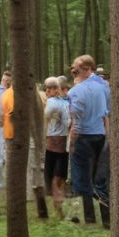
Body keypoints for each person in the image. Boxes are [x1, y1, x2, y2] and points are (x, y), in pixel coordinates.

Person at [67, 54, 110, 227]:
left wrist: (71, 142)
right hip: (100, 136)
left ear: (86, 68)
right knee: (99, 178)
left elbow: (76, 121)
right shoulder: (105, 87)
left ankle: (88, 218)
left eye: (76, 67)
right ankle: (106, 218)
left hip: (83, 137)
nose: (73, 69)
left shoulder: (75, 91)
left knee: (80, 178)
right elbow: (108, 113)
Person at [42, 77, 70, 219]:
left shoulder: (53, 102)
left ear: (56, 89)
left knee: (55, 178)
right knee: (59, 177)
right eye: (46, 88)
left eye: (50, 88)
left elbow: (44, 116)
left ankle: (58, 209)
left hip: (54, 143)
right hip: (62, 142)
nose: (47, 91)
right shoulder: (65, 102)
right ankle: (59, 208)